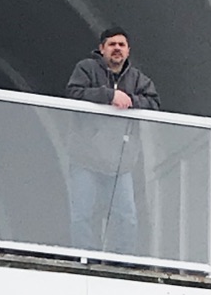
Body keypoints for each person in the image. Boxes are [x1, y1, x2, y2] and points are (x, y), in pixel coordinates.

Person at [62, 29, 160, 253]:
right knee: (82, 213)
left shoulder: (136, 78)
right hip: (85, 158)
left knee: (126, 216)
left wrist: (130, 101)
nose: (117, 48)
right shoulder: (86, 68)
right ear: (102, 49)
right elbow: (74, 93)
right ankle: (84, 258)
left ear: (128, 50)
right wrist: (109, 96)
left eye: (122, 45)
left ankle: (122, 261)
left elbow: (154, 103)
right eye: (112, 44)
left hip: (120, 162)